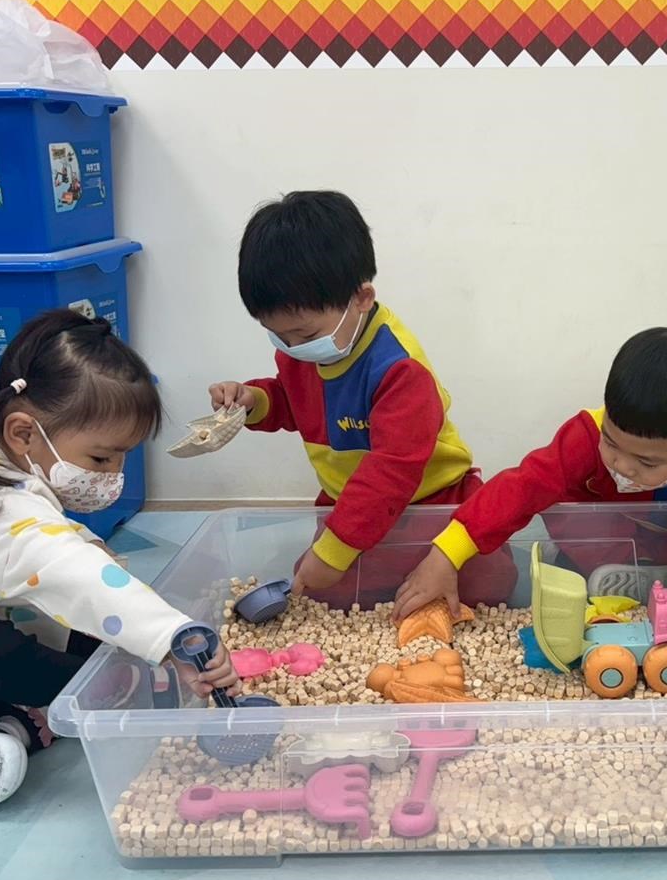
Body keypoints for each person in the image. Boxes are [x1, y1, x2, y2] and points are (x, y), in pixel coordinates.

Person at [0, 310, 239, 811]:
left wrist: (86, 547)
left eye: (123, 457)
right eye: (101, 458)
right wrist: (171, 639)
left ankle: (7, 730)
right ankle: (92, 695)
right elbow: (68, 568)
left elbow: (44, 547)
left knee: (87, 620)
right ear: (23, 434)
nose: (114, 474)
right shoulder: (10, 517)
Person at [395, 327, 667, 620]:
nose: (622, 465)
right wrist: (445, 555)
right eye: (613, 443)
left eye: (647, 462)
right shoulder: (585, 435)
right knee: (564, 510)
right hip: (609, 548)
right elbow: (520, 487)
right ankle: (622, 583)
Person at [210, 191, 513, 606]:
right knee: (320, 592)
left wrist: (335, 552)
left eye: (304, 335)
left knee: (490, 584)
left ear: (362, 298)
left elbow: (392, 471)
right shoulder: (305, 349)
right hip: (349, 502)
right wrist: (255, 400)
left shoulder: (399, 370)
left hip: (434, 499)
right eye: (278, 336)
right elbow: (298, 401)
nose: (293, 348)